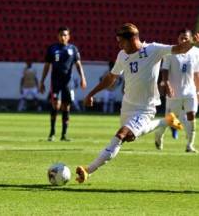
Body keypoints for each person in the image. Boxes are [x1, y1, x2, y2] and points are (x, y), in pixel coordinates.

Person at [76, 23, 199, 183]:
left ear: (132, 39)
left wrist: (193, 43)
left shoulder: (153, 50)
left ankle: (88, 170)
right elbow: (111, 77)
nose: (119, 45)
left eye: (121, 41)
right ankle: (165, 121)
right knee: (127, 137)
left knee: (121, 134)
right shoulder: (122, 55)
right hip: (127, 106)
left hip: (145, 109)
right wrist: (92, 93)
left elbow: (179, 49)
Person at [155, 29, 199, 153]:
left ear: (190, 39)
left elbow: (196, 73)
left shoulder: (196, 52)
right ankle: (158, 135)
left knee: (191, 116)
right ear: (177, 39)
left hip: (190, 92)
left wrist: (198, 91)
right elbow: (164, 70)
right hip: (174, 92)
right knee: (169, 120)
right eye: (181, 38)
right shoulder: (170, 52)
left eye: (186, 38)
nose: (183, 40)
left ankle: (189, 145)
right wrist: (166, 83)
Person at [39, 26, 87, 141]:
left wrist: (83, 78)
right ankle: (52, 133)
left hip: (68, 83)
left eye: (65, 35)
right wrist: (42, 81)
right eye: (61, 35)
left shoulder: (73, 49)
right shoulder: (52, 49)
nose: (63, 37)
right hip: (55, 81)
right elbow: (47, 66)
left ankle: (64, 135)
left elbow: (78, 64)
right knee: (55, 105)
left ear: (69, 36)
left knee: (66, 107)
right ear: (58, 36)